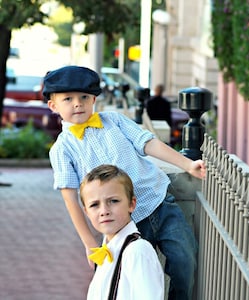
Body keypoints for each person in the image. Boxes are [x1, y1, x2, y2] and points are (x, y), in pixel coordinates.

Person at [43, 65, 206, 300]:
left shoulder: (115, 121)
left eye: (84, 97)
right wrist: (89, 242)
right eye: (68, 99)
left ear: (94, 99)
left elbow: (148, 143)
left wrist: (187, 164)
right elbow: (70, 198)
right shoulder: (62, 149)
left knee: (185, 259)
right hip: (122, 224)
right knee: (126, 280)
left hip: (160, 203)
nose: (77, 103)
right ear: (53, 106)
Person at [80, 164, 164, 300]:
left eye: (113, 201)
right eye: (94, 205)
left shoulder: (137, 252)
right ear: (87, 212)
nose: (104, 211)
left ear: (131, 204)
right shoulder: (106, 251)